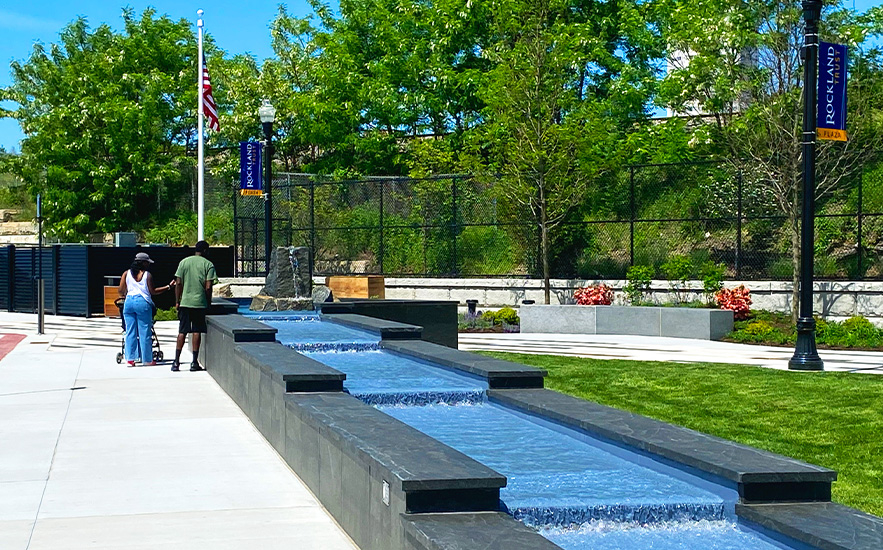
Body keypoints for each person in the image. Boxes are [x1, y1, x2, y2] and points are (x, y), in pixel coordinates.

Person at [118, 252, 173, 367]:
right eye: (147, 262)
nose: (148, 264)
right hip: (142, 303)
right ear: (143, 263)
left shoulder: (126, 274)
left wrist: (126, 295)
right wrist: (168, 287)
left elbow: (120, 290)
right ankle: (147, 359)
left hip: (128, 302)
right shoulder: (147, 275)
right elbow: (153, 291)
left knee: (129, 331)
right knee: (145, 332)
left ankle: (130, 358)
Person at [172, 240, 217, 372]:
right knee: (196, 330)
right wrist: (208, 302)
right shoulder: (208, 264)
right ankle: (194, 362)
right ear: (205, 251)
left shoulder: (184, 262)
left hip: (185, 302)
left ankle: (176, 362)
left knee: (182, 331)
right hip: (199, 303)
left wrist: (177, 300)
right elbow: (208, 286)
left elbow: (178, 283)